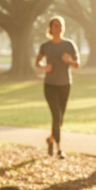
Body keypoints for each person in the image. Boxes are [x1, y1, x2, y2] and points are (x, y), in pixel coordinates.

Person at [35, 16, 79, 159]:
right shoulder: (45, 46)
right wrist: (44, 67)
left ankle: (50, 139)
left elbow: (77, 64)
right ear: (51, 28)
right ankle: (59, 149)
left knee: (60, 119)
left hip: (65, 85)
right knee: (56, 115)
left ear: (63, 28)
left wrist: (69, 61)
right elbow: (37, 62)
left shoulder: (69, 45)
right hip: (50, 85)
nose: (58, 28)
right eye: (55, 25)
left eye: (60, 25)